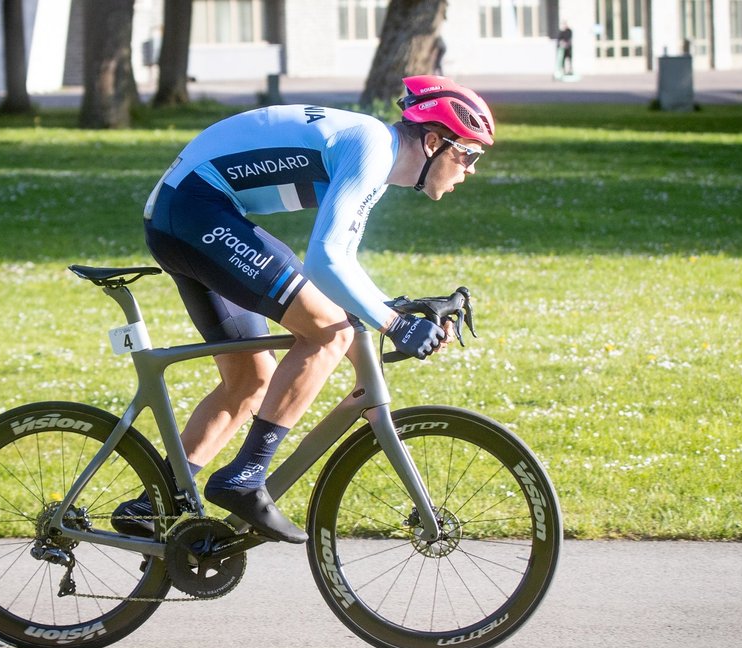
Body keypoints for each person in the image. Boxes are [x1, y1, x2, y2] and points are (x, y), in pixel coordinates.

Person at [111, 76, 495, 544]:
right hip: (195, 212)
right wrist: (393, 324)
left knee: (252, 377)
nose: (471, 169)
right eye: (468, 154)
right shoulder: (373, 148)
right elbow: (325, 260)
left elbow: (339, 267)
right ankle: (246, 476)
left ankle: (155, 503)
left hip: (190, 214)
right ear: (433, 141)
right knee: (328, 334)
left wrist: (392, 309)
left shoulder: (374, 153)